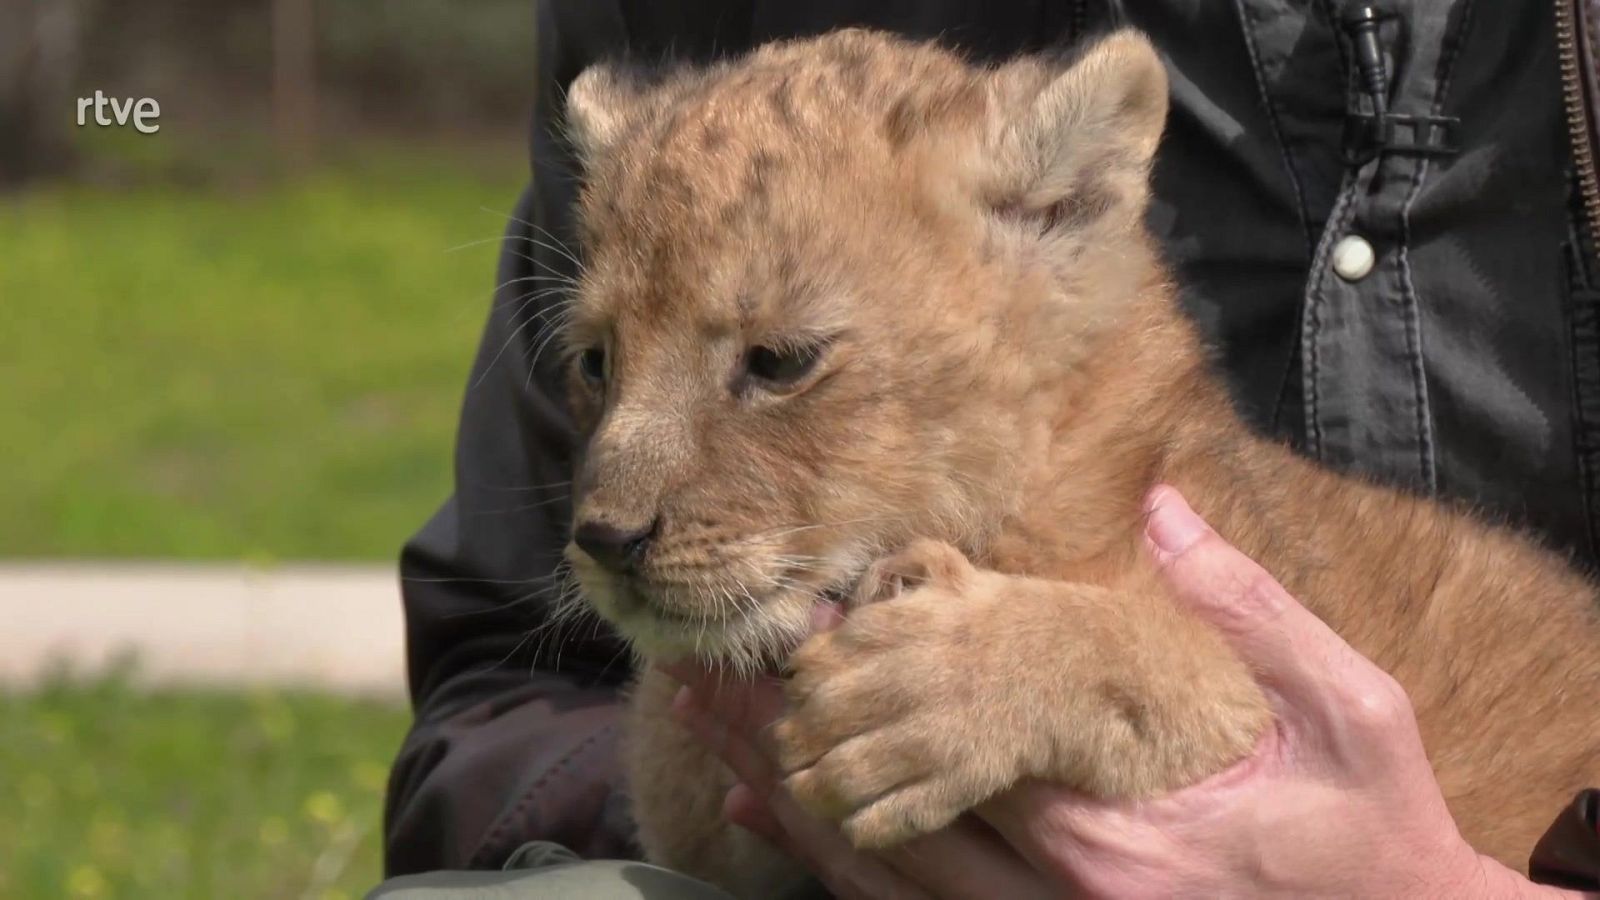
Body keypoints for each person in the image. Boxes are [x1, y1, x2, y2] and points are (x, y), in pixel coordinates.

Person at [377, 1, 1600, 896]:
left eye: (779, 361)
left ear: (1055, 215)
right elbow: (496, 686)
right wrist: (754, 758)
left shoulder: (1128, 474)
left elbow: (1213, 701)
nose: (616, 501)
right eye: (596, 365)